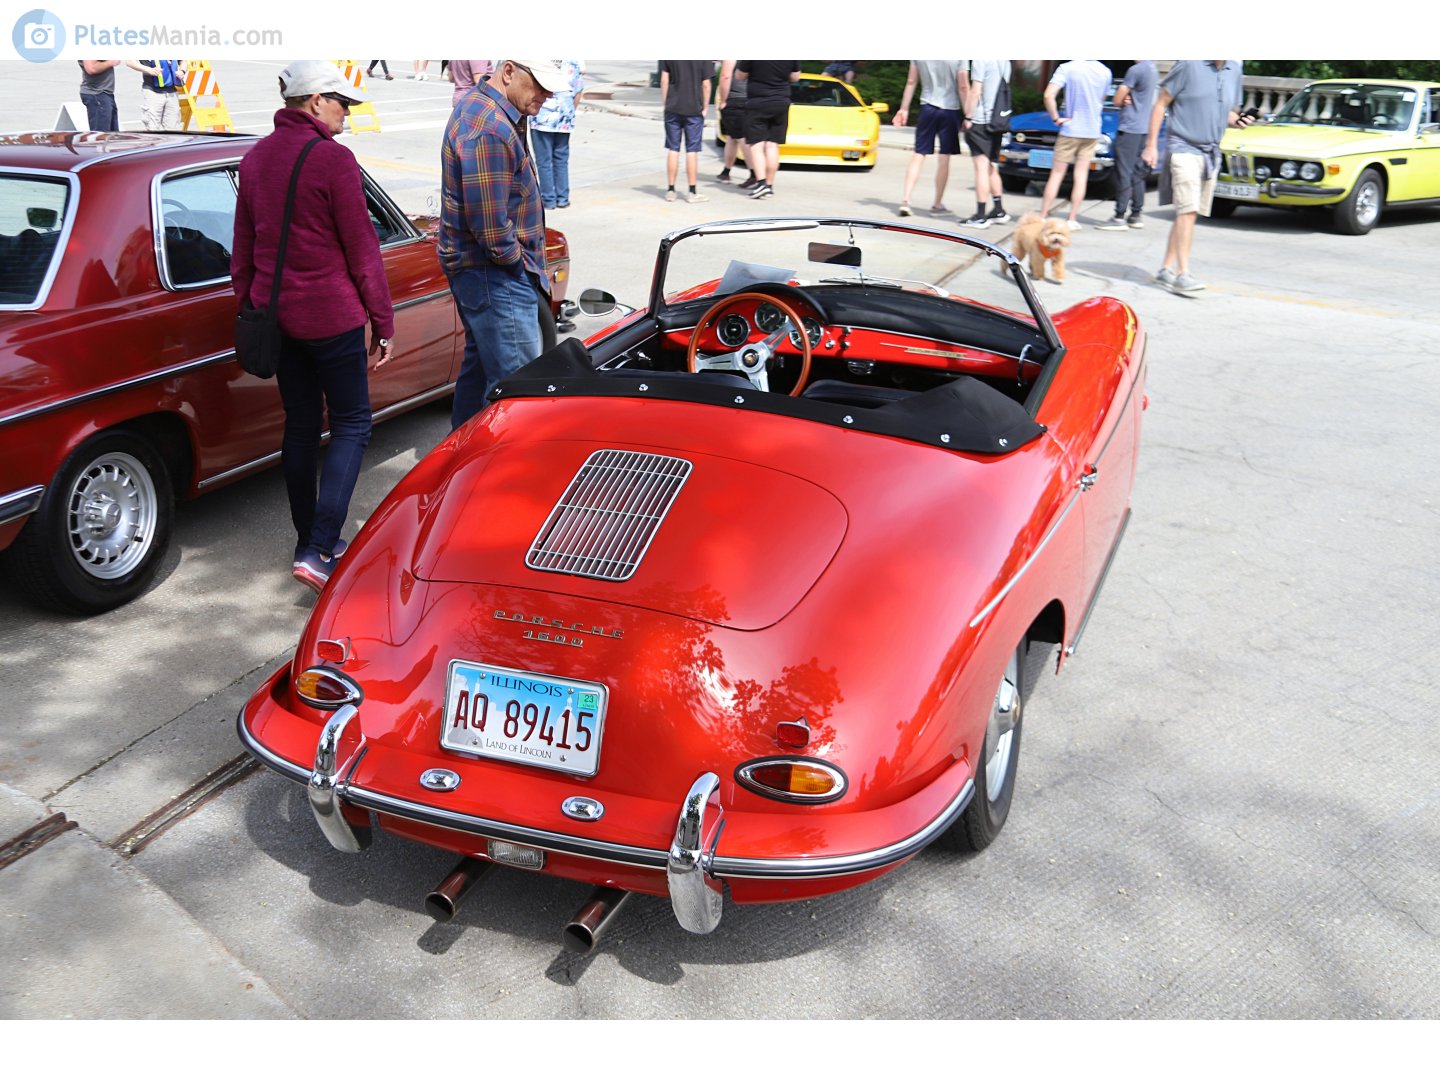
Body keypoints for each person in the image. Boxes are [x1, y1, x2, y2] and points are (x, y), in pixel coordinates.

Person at [232, 61, 396, 593]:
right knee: (352, 423)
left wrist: (250, 304)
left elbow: (243, 248)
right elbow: (362, 248)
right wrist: (383, 321)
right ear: (316, 101)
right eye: (342, 103)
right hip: (331, 316)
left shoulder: (255, 157)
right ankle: (320, 546)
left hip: (277, 316)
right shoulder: (333, 159)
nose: (346, 113)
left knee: (301, 426)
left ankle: (309, 542)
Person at [439, 59, 569, 431]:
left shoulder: (493, 110)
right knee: (519, 391)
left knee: (481, 372)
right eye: (540, 85)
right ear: (509, 72)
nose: (547, 95)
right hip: (494, 275)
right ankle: (503, 463)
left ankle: (461, 455)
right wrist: (518, 265)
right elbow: (491, 228)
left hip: (489, 273)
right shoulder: (488, 127)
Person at [1142, 61, 1249, 294]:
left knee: (1187, 213)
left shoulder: (1233, 70)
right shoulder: (1189, 65)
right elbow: (1161, 103)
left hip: (1210, 151)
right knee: (1188, 210)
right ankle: (1183, 274)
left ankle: (1165, 269)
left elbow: (1226, 111)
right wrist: (1151, 146)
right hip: (1183, 146)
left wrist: (1238, 120)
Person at [1038, 59, 1113, 229]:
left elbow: (1048, 95)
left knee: (1057, 174)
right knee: (1081, 176)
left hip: (1070, 129)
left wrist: (1056, 118)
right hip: (1092, 130)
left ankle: (1043, 216)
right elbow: (1101, 100)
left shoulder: (1067, 68)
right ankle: (1072, 219)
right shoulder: (1105, 71)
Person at [890, 60, 969, 217]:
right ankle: (937, 205)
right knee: (944, 157)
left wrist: (904, 109)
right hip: (950, 109)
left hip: (927, 106)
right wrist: (969, 114)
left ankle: (906, 200)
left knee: (919, 153)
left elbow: (911, 81)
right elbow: (963, 86)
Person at [1099, 60, 1158, 230]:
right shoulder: (1152, 68)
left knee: (1123, 172)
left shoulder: (1135, 70)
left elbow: (1117, 100)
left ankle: (1119, 216)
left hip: (1130, 127)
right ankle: (1136, 214)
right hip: (1143, 127)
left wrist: (1123, 96)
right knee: (1137, 173)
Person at [959, 59, 1013, 228]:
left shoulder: (980, 60)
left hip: (981, 121)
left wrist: (968, 117)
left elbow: (976, 91)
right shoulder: (1005, 61)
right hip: (998, 120)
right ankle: (998, 210)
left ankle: (980, 216)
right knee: (990, 166)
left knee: (981, 167)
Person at [737, 60, 800, 200]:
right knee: (772, 144)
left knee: (756, 144)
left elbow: (740, 76)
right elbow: (795, 77)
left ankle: (761, 184)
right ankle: (769, 185)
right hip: (781, 102)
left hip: (758, 102)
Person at [532, 60, 586, 209]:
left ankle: (548, 199)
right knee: (561, 159)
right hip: (564, 118)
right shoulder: (572, 62)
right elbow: (578, 91)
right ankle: (563, 197)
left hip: (542, 118)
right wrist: (569, 111)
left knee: (544, 162)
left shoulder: (540, 61)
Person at [660, 60, 713, 203]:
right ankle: (692, 192)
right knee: (692, 150)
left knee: (673, 148)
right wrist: (705, 107)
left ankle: (671, 190)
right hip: (694, 108)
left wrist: (665, 103)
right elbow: (706, 84)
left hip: (673, 106)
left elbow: (664, 80)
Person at [715, 59, 752, 184]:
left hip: (736, 100)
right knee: (732, 137)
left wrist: (723, 100)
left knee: (742, 138)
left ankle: (755, 174)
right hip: (753, 99)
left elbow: (725, 76)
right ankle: (726, 171)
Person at [126, 59, 187, 132]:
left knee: (173, 129)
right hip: (153, 92)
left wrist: (182, 71)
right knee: (153, 128)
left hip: (172, 92)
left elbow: (183, 61)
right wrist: (149, 70)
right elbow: (129, 62)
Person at [78, 60, 122, 132]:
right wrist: (111, 62)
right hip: (97, 94)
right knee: (101, 135)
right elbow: (91, 68)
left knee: (112, 135)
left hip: (105, 94)